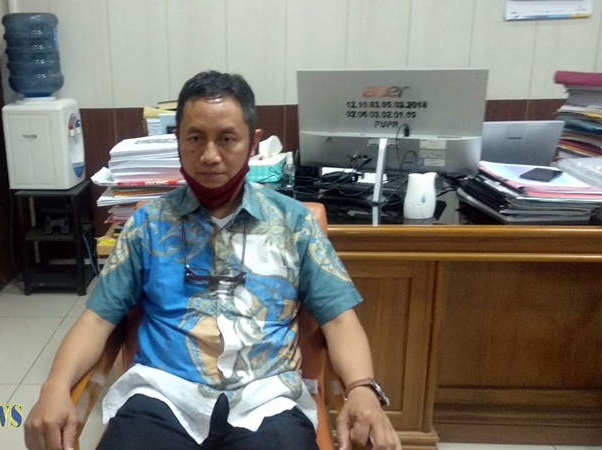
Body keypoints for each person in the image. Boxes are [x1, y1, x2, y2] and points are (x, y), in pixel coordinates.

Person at [24, 70, 400, 450]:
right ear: (178, 140)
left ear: (252, 143)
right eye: (195, 138)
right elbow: (97, 319)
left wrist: (361, 388)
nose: (209, 155)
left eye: (226, 138)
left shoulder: (294, 224)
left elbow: (339, 320)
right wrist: (55, 386)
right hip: (163, 393)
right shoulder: (148, 226)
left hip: (268, 397)